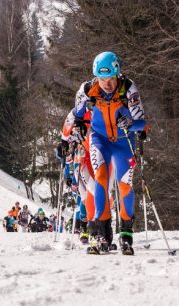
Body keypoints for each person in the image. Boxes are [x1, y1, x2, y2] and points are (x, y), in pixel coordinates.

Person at [61, 52, 146, 254]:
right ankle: (101, 232)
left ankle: (126, 233)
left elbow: (143, 125)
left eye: (110, 79)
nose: (106, 84)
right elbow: (77, 115)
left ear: (117, 73)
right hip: (99, 140)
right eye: (102, 79)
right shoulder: (87, 90)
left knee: (124, 185)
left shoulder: (128, 88)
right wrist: (71, 134)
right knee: (100, 177)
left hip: (123, 141)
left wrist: (132, 124)